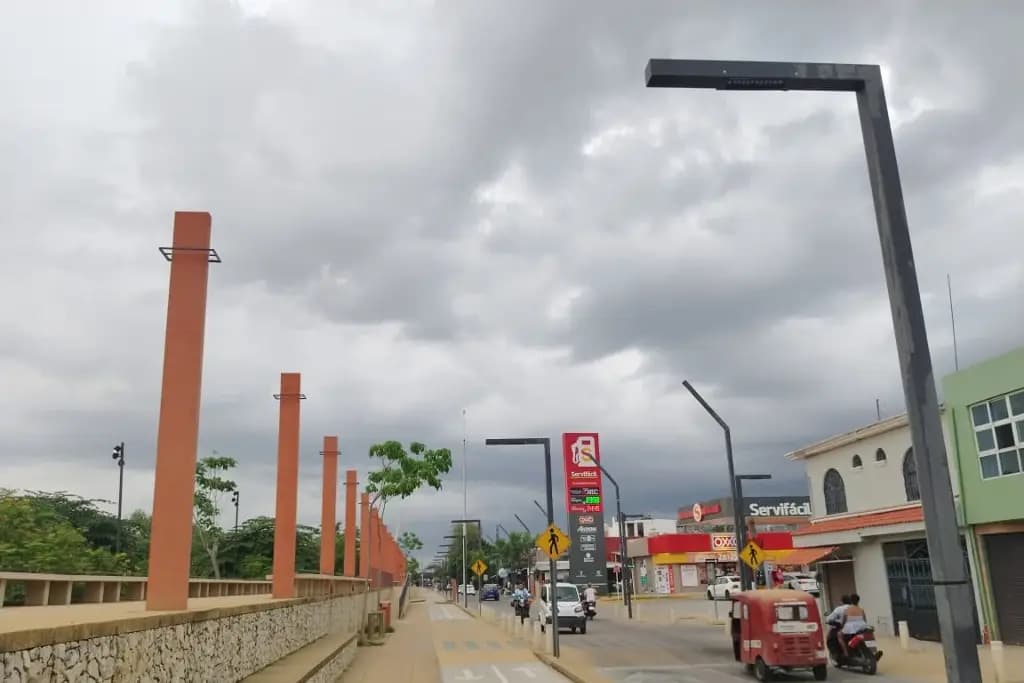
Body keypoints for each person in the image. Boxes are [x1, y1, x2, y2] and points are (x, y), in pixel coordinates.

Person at [839, 593, 869, 657]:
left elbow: (843, 621)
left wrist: (842, 627)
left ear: (851, 601)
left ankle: (846, 653)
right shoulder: (861, 610)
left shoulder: (847, 610)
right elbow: (865, 620)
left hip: (851, 629)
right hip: (861, 628)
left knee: (839, 635)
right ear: (858, 601)